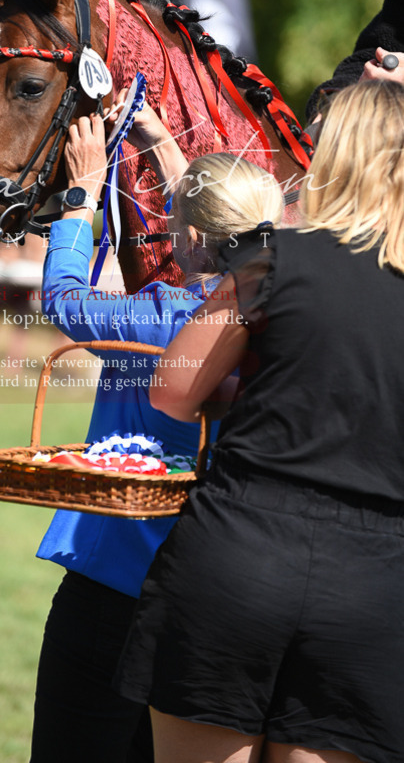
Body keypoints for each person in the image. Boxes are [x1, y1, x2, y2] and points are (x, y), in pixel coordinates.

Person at [116, 80, 404, 763]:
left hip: (240, 552)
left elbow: (174, 392)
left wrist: (270, 387)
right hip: (376, 585)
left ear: (334, 157)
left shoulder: (272, 257)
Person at [30, 100, 285, 763]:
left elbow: (62, 297)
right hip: (213, 601)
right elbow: (218, 234)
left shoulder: (157, 316)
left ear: (190, 237)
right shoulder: (280, 321)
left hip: (111, 594)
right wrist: (164, 143)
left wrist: (82, 193)